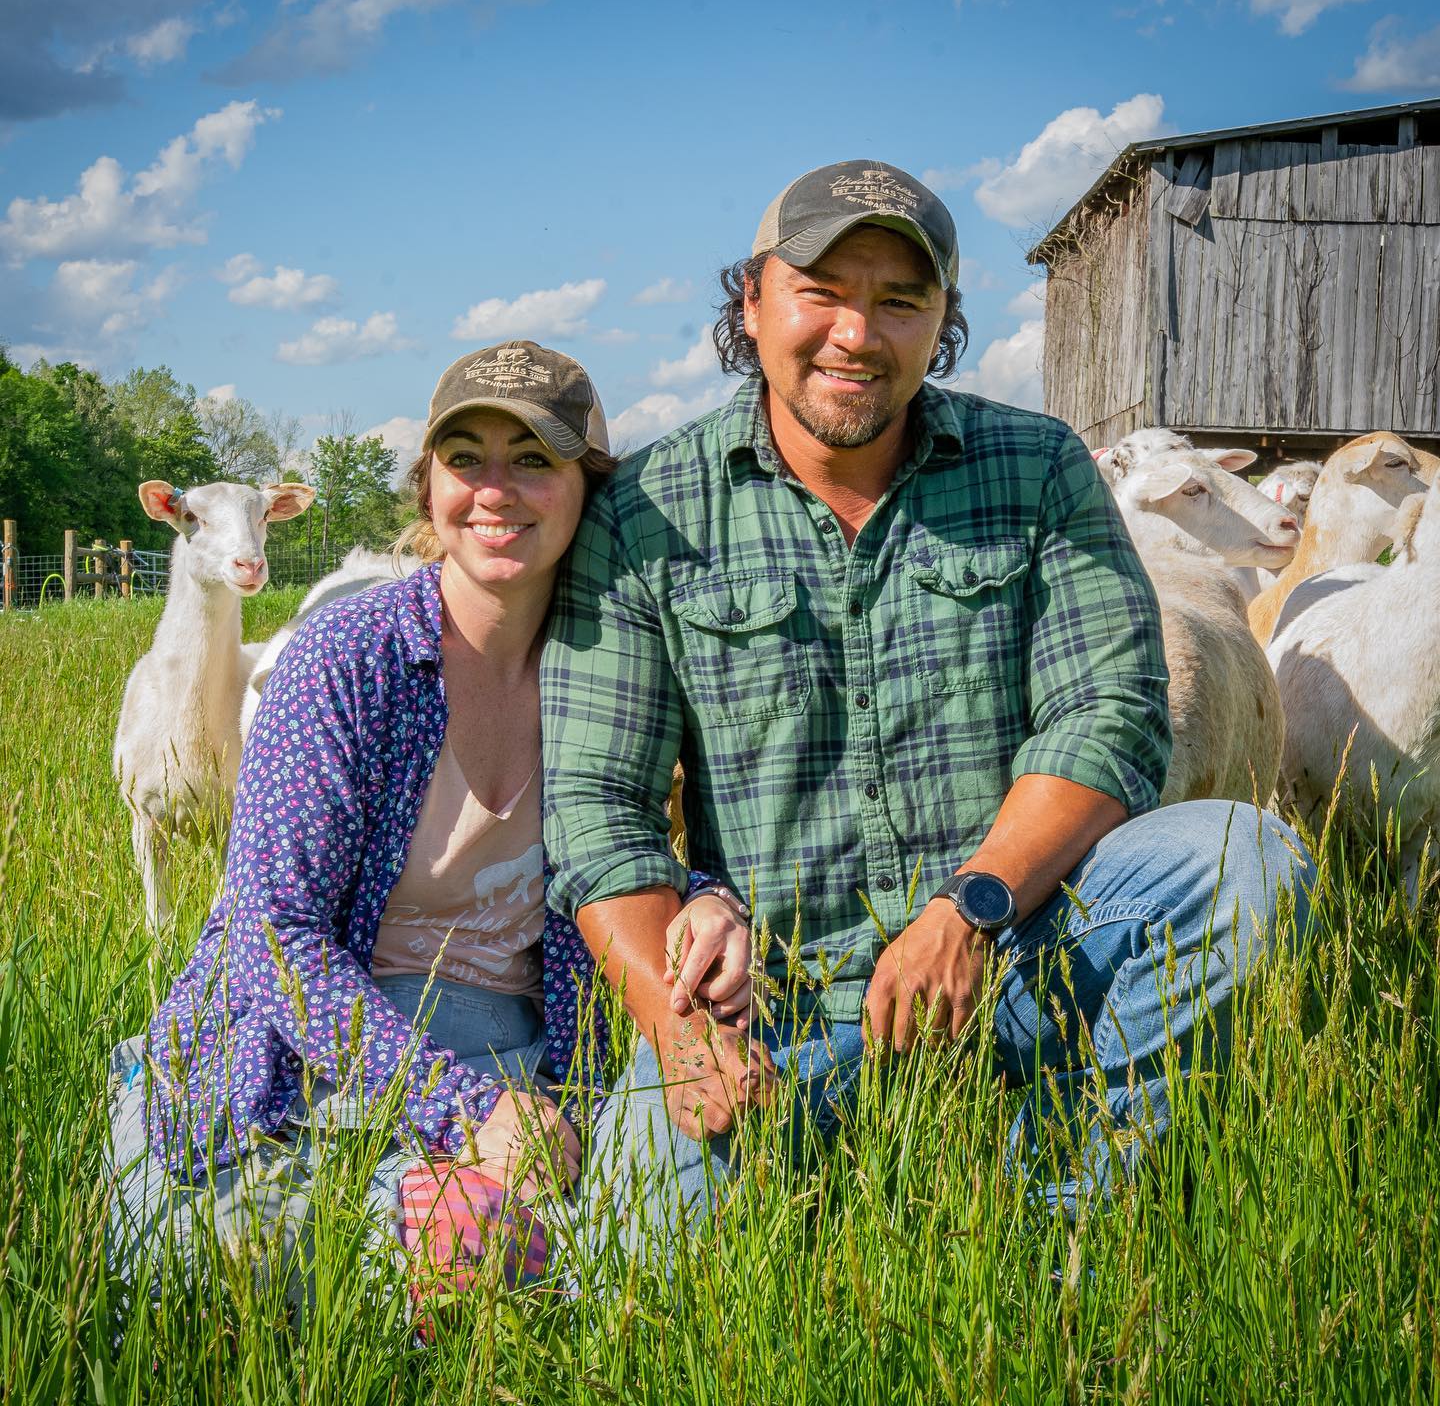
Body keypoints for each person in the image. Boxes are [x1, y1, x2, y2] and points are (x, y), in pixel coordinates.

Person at [540, 160, 1318, 1256]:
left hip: (1014, 947)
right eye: (822, 290)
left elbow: (1111, 714)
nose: (858, 331)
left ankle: (1066, 1225)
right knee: (629, 1272)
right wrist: (675, 1027)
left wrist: (970, 907)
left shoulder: (1036, 467)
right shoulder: (648, 514)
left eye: (900, 299)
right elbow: (595, 805)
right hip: (774, 1000)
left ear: (942, 321)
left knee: (1243, 859)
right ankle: (809, 1153)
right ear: (753, 304)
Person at [104, 341, 750, 1296]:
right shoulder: (348, 655)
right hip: (305, 1048)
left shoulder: (617, 664)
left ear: (587, 488)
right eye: (465, 459)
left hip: (525, 1048)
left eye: (534, 458)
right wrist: (464, 1108)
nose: (496, 490)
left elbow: (634, 853)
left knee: (647, 1193)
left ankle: (458, 1232)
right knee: (218, 1282)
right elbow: (272, 935)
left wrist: (708, 902)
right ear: (428, 488)